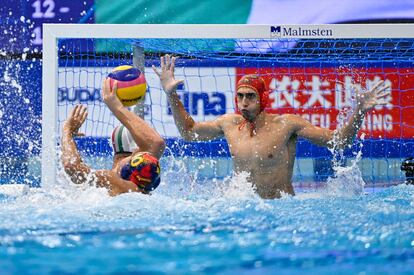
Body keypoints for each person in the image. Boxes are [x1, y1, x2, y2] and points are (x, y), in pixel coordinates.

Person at [152, 55, 390, 199]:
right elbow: (189, 133)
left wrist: (359, 112)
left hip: (281, 209)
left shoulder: (286, 125)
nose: (243, 102)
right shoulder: (228, 124)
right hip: (244, 207)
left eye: (250, 96)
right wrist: (172, 94)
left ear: (263, 99)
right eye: (240, 96)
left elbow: (340, 141)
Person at [61, 78, 165, 196]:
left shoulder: (111, 181)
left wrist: (67, 131)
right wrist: (118, 107)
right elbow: (156, 143)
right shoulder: (146, 182)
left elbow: (71, 167)